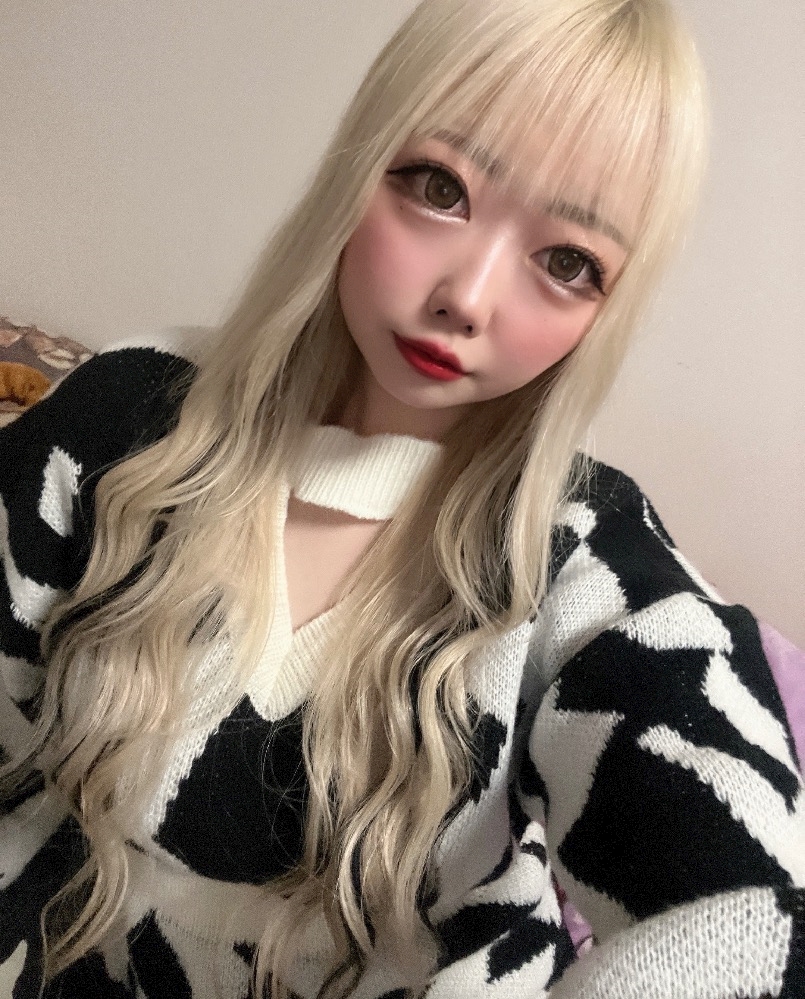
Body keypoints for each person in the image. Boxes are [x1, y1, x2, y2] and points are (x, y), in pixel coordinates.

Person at [0, 0, 803, 996]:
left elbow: (747, 916)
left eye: (567, 263)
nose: (467, 296)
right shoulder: (122, 414)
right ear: (360, 158)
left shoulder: (580, 556)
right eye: (438, 187)